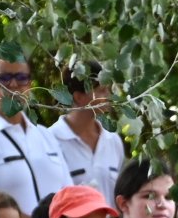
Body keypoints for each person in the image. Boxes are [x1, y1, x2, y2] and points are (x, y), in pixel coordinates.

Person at [0, 53, 72, 214]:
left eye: (21, 78)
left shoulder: (45, 135)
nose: (13, 84)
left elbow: (69, 192)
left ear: (30, 84)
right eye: (4, 77)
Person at [50, 66, 126, 207]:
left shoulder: (113, 141)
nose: (108, 95)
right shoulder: (51, 140)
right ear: (78, 97)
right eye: (102, 90)